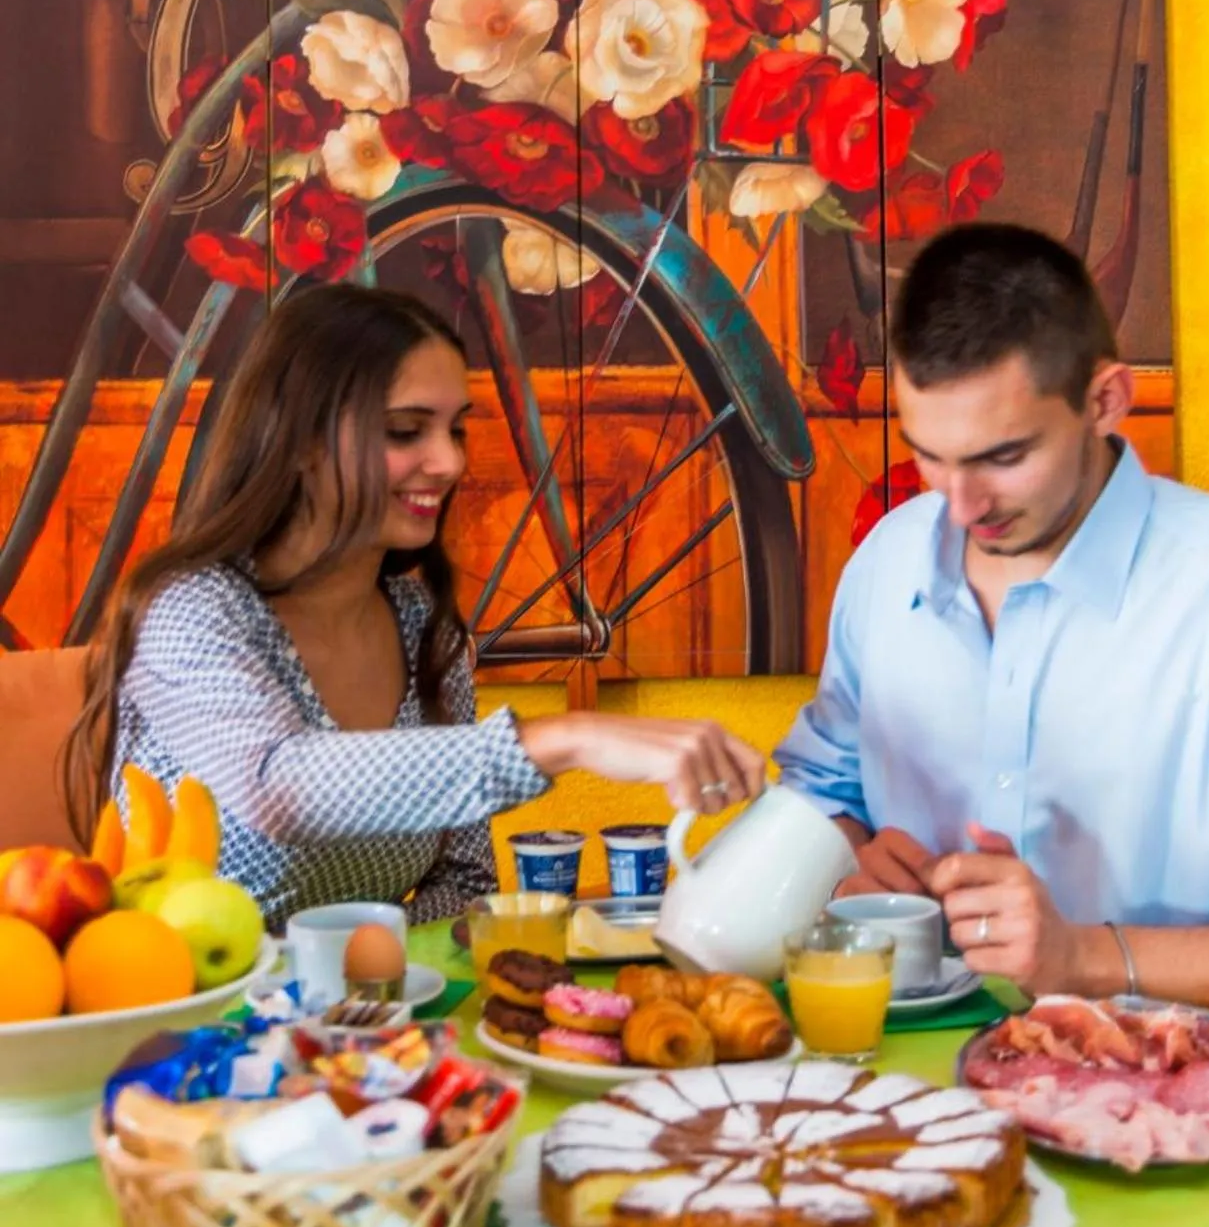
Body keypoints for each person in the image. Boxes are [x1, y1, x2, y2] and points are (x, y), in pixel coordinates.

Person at [775, 223, 1209, 1027]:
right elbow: (822, 796)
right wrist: (846, 865)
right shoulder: (887, 559)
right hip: (902, 1100)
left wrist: (1086, 955)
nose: (959, 503)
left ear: (1105, 399)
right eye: (929, 454)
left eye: (1004, 455)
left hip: (1163, 1116)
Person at [64, 285, 764, 929]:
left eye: (455, 428)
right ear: (302, 441)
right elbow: (282, 787)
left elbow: (464, 878)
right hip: (189, 1033)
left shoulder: (422, 624)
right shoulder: (190, 610)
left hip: (359, 1039)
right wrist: (565, 736)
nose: (450, 461)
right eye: (406, 430)